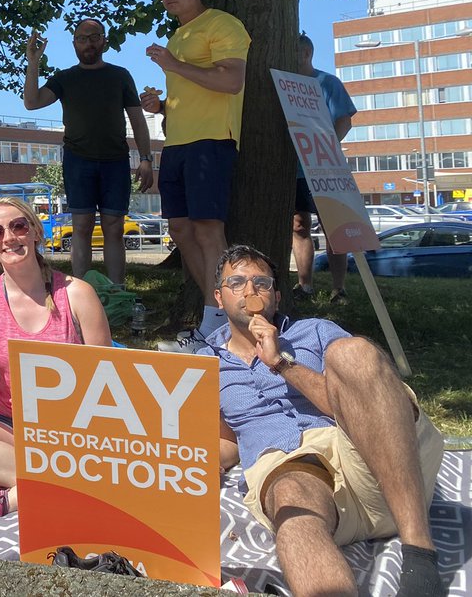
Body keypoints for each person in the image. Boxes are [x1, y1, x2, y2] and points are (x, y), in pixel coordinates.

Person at [205, 244, 443, 597]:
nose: (250, 290)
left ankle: (419, 554)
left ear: (277, 296)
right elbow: (226, 442)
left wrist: (282, 363)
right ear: (219, 299)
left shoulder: (314, 331)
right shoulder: (204, 364)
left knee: (354, 353)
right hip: (293, 472)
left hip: (372, 456)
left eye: (262, 282)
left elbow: (366, 396)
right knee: (290, 499)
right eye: (236, 282)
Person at [0, 197, 112, 519]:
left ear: (35, 232)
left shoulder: (76, 293)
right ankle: (71, 484)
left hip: (74, 431)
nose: (9, 238)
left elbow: (110, 380)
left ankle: (6, 499)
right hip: (12, 427)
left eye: (18, 226)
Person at [139, 0, 249, 350]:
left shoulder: (222, 24)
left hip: (212, 142)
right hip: (177, 145)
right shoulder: (178, 36)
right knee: (181, 230)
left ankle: (220, 327)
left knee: (207, 231)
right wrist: (163, 106)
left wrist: (173, 65)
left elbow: (232, 81)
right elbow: (193, 92)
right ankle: (217, 317)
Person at [24, 18, 154, 283]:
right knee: (81, 227)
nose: (89, 44)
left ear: (104, 40)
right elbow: (32, 102)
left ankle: (117, 290)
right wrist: (33, 62)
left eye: (94, 37)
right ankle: (81, 292)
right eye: (82, 39)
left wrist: (146, 158)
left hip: (115, 161)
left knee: (114, 228)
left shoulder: (120, 75)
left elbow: (138, 119)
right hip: (78, 161)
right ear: (74, 44)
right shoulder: (64, 77)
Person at [290, 33, 357, 312]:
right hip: (293, 170)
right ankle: (304, 284)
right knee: (299, 226)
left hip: (323, 167)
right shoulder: (286, 86)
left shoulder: (328, 83)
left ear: (305, 54)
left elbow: (345, 121)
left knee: (334, 229)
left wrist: (326, 148)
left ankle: (338, 288)